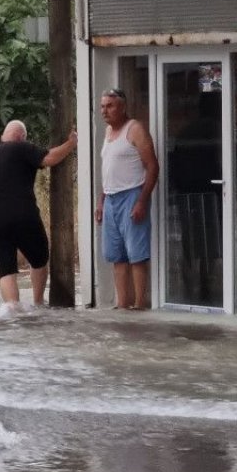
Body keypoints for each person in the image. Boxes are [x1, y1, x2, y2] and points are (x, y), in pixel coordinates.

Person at [0, 120, 77, 309]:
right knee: (39, 258)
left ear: (3, 137)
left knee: (6, 271)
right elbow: (50, 158)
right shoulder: (20, 147)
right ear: (21, 137)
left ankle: (12, 313)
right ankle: (38, 303)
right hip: (22, 216)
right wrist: (71, 143)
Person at [96, 88, 159, 310]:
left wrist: (142, 200)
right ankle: (122, 303)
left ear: (122, 107)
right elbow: (108, 169)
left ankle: (140, 303)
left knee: (136, 254)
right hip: (111, 197)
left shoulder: (135, 129)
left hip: (132, 194)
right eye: (103, 106)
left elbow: (152, 166)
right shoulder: (107, 132)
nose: (105, 111)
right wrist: (101, 200)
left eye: (110, 106)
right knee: (117, 255)